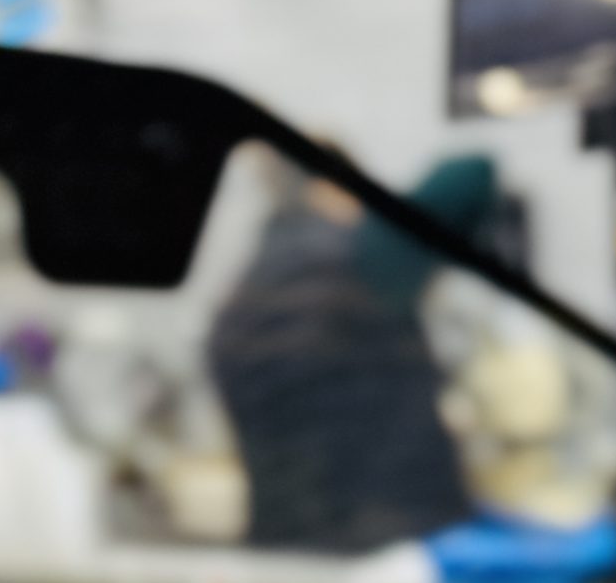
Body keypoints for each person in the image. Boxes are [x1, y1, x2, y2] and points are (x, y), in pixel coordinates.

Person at [209, 154, 500, 552]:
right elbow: (473, 171)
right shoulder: (364, 259)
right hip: (394, 543)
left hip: (284, 544)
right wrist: (378, 220)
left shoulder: (241, 295)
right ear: (330, 188)